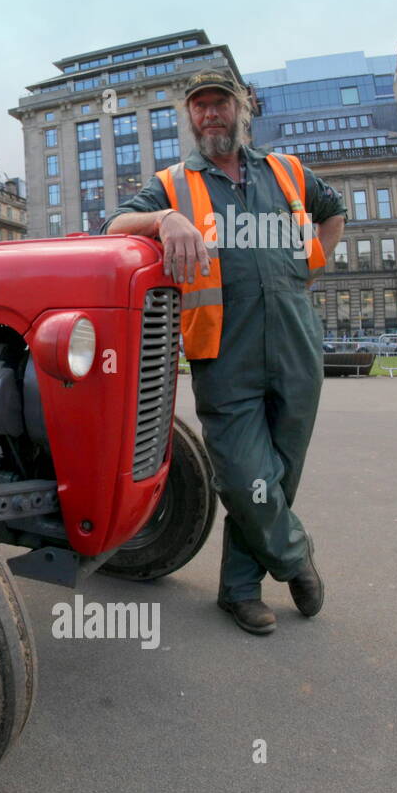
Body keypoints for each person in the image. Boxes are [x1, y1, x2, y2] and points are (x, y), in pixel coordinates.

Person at [104, 69, 347, 636]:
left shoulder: (287, 172)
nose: (210, 114)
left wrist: (313, 261)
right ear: (190, 118)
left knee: (278, 475)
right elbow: (114, 224)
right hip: (223, 349)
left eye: (221, 103)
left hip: (295, 343)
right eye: (199, 107)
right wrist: (164, 220)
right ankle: (294, 557)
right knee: (243, 474)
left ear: (243, 108)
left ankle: (239, 592)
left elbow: (333, 211)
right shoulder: (174, 183)